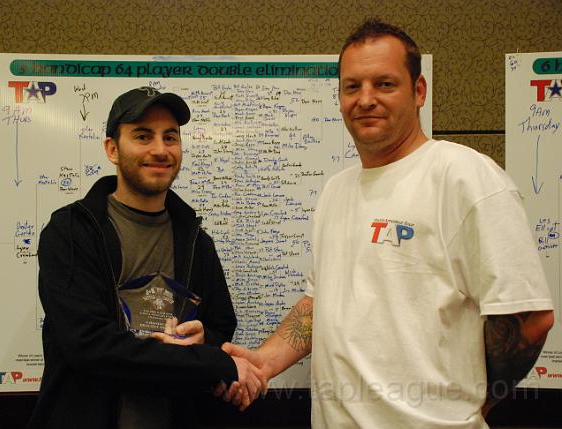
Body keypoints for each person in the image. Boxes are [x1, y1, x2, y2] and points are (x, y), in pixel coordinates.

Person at [222, 18, 554, 428]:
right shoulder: (336, 191)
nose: (365, 99)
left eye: (384, 84)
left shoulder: (464, 176)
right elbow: (320, 303)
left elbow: (529, 318)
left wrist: (476, 405)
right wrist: (263, 362)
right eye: (352, 86)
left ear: (419, 91)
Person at [29, 87, 265, 429]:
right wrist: (213, 363)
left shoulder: (197, 241)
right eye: (143, 136)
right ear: (112, 149)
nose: (160, 150)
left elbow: (221, 326)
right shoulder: (71, 232)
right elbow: (89, 346)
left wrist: (204, 339)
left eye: (170, 137)